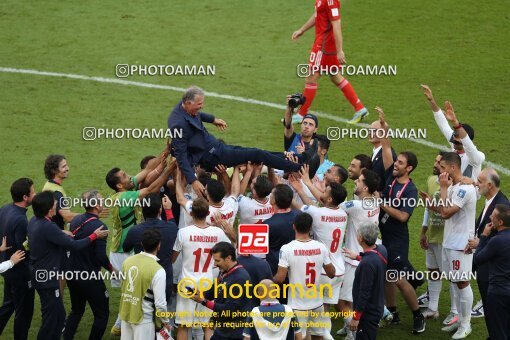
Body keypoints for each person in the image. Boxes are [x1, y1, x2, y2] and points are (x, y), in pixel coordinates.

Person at [168, 86, 302, 198]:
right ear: (188, 102)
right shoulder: (177, 124)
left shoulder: (184, 107)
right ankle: (298, 168)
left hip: (217, 148)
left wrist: (213, 119)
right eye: (199, 104)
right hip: (213, 158)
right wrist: (194, 180)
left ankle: (294, 159)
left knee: (258, 154)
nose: (201, 107)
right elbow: (181, 156)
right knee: (257, 154)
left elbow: (198, 115)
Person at [106, 154, 175, 335]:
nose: (130, 176)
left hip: (128, 245)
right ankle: (123, 323)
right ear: (119, 185)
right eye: (125, 176)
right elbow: (151, 188)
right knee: (131, 289)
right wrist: (169, 168)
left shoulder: (123, 190)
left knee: (134, 288)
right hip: (122, 250)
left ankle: (123, 323)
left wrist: (165, 153)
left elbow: (146, 172)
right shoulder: (124, 198)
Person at [27, 191, 108, 340]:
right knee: (53, 320)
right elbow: (75, 246)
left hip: (40, 274)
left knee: (59, 315)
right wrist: (94, 236)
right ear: (49, 208)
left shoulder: (34, 220)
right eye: (54, 203)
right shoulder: (48, 227)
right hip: (47, 279)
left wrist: (61, 232)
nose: (57, 205)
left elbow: (47, 234)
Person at [376, 107, 425, 333]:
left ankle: (418, 315)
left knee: (397, 278)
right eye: (397, 162)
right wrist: (385, 127)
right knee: (387, 275)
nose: (396, 164)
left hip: (397, 238)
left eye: (401, 163)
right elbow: (386, 147)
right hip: (383, 235)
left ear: (410, 168)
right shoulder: (390, 175)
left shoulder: (410, 190)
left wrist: (381, 202)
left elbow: (404, 216)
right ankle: (393, 311)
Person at [425, 152, 477, 338]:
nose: (440, 171)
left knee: (462, 283)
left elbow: (446, 213)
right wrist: (432, 206)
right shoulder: (456, 186)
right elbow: (444, 209)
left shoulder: (464, 189)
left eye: (444, 168)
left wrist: (444, 188)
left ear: (453, 168)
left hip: (461, 245)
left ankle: (466, 324)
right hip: (449, 242)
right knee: (454, 283)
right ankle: (458, 320)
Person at [290, 0, 368, 124]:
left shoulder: (331, 1)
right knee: (335, 76)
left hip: (324, 45)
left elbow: (336, 24)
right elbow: (318, 15)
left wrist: (340, 50)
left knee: (311, 77)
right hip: (325, 43)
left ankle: (301, 114)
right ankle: (360, 108)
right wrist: (302, 29)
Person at [291, 181, 348, 339]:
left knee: (313, 311)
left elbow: (297, 205)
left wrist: (293, 192)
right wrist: (302, 188)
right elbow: (316, 207)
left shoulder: (317, 213)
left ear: (329, 199)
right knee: (325, 309)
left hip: (323, 271)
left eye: (325, 191)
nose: (322, 191)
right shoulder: (342, 213)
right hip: (338, 271)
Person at [172, 197, 231, 340]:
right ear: (208, 213)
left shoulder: (183, 232)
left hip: (187, 283)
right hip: (207, 282)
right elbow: (230, 248)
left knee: (184, 325)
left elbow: (173, 258)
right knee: (207, 325)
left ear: (191, 213)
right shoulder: (218, 233)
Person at [274, 212, 336, 339]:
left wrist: (269, 279)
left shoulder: (287, 249)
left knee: (298, 337)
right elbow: (331, 273)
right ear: (310, 227)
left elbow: (280, 278)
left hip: (297, 305)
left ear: (294, 226)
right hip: (317, 302)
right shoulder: (321, 247)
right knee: (317, 335)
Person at [63, 190, 114, 340]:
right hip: (89, 277)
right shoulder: (100, 226)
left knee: (76, 311)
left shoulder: (76, 220)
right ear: (96, 206)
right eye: (101, 200)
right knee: (102, 314)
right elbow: (100, 256)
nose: (103, 201)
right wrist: (112, 269)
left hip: (72, 274)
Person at [337, 170, 381, 336]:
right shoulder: (375, 202)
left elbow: (332, 205)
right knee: (353, 299)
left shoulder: (356, 206)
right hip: (365, 256)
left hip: (353, 260)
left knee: (341, 302)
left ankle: (353, 331)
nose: (356, 182)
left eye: (359, 181)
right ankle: (349, 328)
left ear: (366, 187)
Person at [418, 152, 459, 327]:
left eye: (440, 164)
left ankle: (455, 312)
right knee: (433, 271)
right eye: (436, 162)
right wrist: (423, 231)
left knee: (452, 276)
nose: (436, 165)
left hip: (447, 238)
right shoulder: (430, 180)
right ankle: (433, 307)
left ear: (449, 167)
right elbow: (428, 208)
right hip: (433, 234)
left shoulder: (455, 187)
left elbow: (447, 212)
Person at [465, 168, 508, 329]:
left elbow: (503, 238)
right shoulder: (491, 201)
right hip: (486, 265)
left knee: (494, 313)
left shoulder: (502, 206)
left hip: (492, 270)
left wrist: (480, 241)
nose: (476, 183)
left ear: (490, 185)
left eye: (480, 181)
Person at [123, 193, 178, 306]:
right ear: (160, 210)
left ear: (142, 209)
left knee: (142, 311)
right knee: (161, 311)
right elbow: (172, 224)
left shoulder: (135, 230)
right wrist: (169, 210)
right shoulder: (172, 228)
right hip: (164, 279)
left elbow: (126, 248)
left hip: (142, 278)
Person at [421, 85, 484, 181]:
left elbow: (468, 145)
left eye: (457, 140)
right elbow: (442, 124)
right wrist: (432, 101)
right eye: (454, 137)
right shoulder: (454, 144)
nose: (454, 141)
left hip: (468, 195)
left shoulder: (475, 157)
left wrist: (456, 123)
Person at [190, 242, 252, 340]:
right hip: (221, 331)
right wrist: (199, 293)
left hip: (233, 334)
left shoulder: (240, 279)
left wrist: (203, 301)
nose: (215, 264)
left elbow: (228, 310)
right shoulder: (224, 272)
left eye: (217, 260)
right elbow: (212, 293)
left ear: (228, 258)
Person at [0, 178, 36, 340]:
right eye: (33, 192)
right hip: (20, 274)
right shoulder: (21, 220)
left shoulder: (5, 209)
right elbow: (24, 250)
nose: (35, 194)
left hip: (7, 268)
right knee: (24, 313)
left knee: (8, 306)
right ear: (25, 197)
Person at [119, 229, 172, 339]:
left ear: (142, 244)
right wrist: (165, 321)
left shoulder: (127, 261)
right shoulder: (158, 270)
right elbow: (160, 304)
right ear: (159, 245)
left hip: (125, 314)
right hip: (144, 320)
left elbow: (124, 286)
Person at [343, 223, 388, 340]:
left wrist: (356, 318)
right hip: (376, 306)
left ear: (361, 239)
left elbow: (364, 293)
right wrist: (358, 257)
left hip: (368, 313)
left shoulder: (367, 264)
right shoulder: (382, 250)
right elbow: (374, 259)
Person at [474, 205, 510, 340]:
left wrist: (483, 237)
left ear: (500, 222)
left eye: (493, 216)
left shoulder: (496, 241)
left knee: (498, 334)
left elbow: (478, 259)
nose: (490, 217)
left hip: (498, 293)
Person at [265, 184, 299, 275]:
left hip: (275, 272)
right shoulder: (299, 216)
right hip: (296, 268)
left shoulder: (268, 225)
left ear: (274, 200)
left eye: (271, 193)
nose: (269, 195)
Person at [42, 154, 78, 229]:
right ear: (54, 170)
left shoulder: (50, 184)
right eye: (64, 166)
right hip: (55, 233)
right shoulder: (55, 192)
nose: (68, 168)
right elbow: (67, 217)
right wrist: (91, 215)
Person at [283, 95, 318, 161]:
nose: (307, 126)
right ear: (301, 124)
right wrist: (289, 107)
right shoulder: (293, 138)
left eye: (311, 124)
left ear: (315, 130)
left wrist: (304, 154)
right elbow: (288, 125)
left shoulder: (316, 147)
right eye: (305, 123)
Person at [367, 120, 396, 192]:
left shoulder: (387, 155)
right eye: (370, 130)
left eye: (375, 131)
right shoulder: (376, 152)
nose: (370, 133)